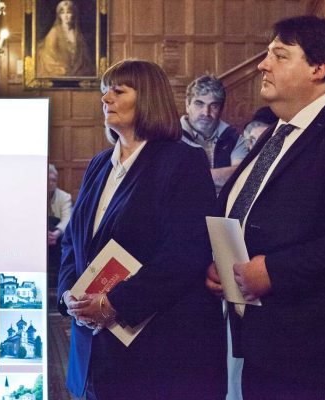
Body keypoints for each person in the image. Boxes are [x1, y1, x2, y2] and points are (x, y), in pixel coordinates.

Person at [57, 59, 226, 400]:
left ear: (148, 98)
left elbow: (185, 255)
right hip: (92, 349)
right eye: (105, 91)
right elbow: (72, 243)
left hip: (155, 351)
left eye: (118, 91)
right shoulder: (99, 164)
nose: (106, 99)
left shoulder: (182, 162)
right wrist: (68, 295)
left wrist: (113, 303)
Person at [206, 15, 325, 399]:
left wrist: (276, 270)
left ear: (318, 68)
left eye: (280, 55)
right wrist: (222, 264)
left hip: (311, 353)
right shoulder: (276, 132)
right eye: (266, 54)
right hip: (260, 341)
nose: (263, 64)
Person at [181, 75, 248, 194]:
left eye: (214, 106)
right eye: (199, 104)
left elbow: (242, 175)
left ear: (221, 110)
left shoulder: (233, 138)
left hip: (223, 206)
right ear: (187, 105)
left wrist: (189, 177)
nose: (206, 113)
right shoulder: (171, 137)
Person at [37, 0, 94, 77]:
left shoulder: (77, 34)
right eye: (62, 13)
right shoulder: (54, 33)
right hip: (57, 70)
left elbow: (83, 58)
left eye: (69, 12)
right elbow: (48, 57)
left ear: (73, 14)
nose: (66, 16)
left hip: (76, 71)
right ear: (59, 16)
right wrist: (63, 69)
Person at [48, 163, 72, 280]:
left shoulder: (65, 197)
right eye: (48, 180)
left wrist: (56, 233)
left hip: (57, 235)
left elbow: (67, 219)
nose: (51, 183)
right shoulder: (34, 195)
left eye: (53, 180)